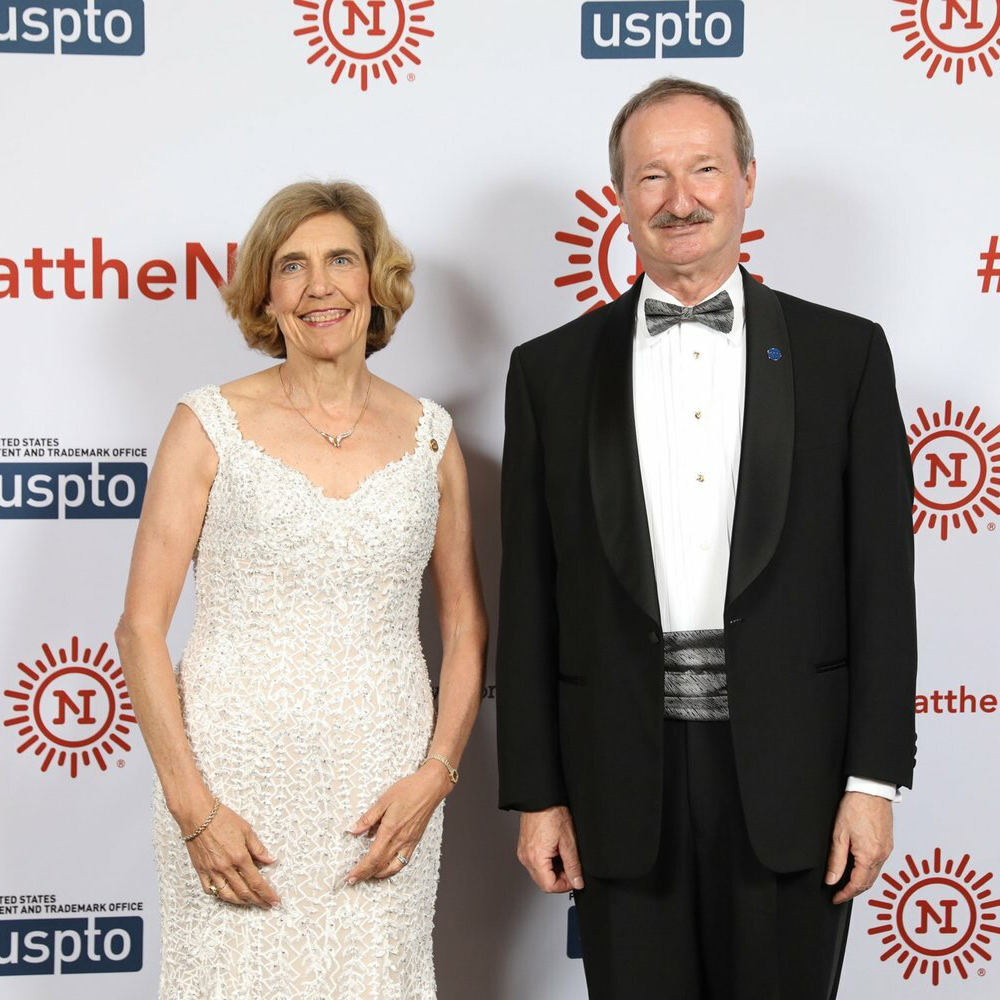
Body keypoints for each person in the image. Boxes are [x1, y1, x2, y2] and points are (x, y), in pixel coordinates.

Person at [496, 77, 917, 999]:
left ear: (747, 181)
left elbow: (881, 583)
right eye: (651, 177)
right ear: (619, 198)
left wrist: (873, 783)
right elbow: (527, 599)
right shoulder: (549, 372)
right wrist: (537, 791)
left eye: (703, 170)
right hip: (618, 780)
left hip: (794, 781)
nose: (678, 200)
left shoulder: (846, 357)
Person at [116, 180, 487, 999]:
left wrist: (436, 775)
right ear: (266, 293)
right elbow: (140, 630)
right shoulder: (206, 423)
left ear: (374, 282)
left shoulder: (432, 436)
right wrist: (193, 808)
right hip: (231, 793)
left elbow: (464, 629)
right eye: (293, 266)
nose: (319, 286)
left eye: (340, 261)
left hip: (386, 795)